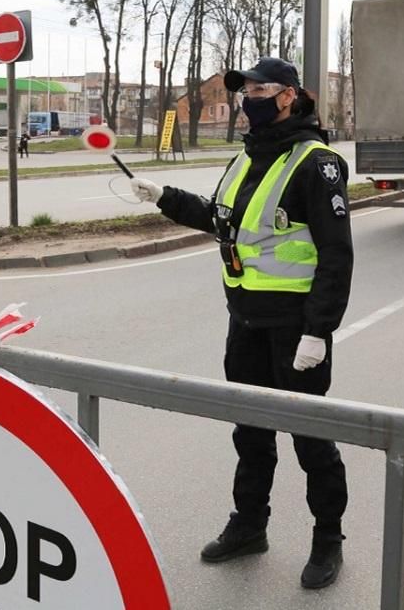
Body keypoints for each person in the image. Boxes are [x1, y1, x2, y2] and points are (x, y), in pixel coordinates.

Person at [129, 57, 353, 590]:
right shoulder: (247, 157)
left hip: (295, 329)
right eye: (243, 88)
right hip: (246, 321)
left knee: (310, 438)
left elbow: (336, 256)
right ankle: (250, 524)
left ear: (287, 97)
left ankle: (328, 539)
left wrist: (318, 332)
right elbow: (222, 219)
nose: (246, 96)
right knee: (250, 432)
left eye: (258, 87)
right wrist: (165, 197)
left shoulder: (315, 163)